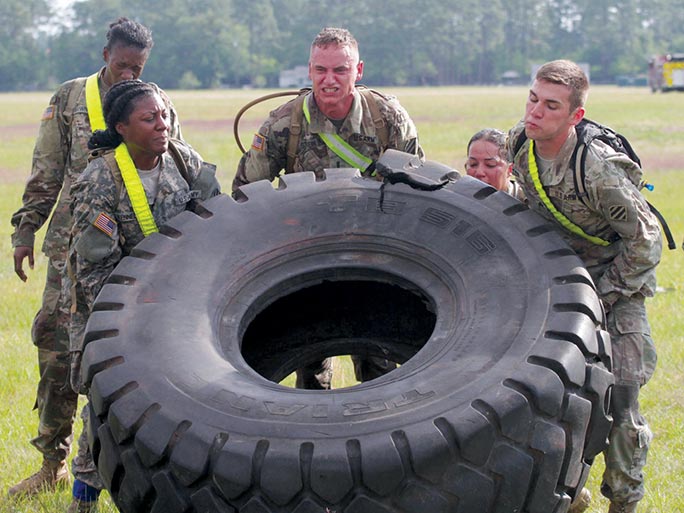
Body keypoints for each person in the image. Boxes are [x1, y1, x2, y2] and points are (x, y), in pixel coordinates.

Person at [8, 17, 181, 499]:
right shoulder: (70, 98)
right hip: (72, 247)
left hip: (138, 248)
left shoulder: (153, 101)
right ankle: (53, 462)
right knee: (59, 347)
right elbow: (47, 168)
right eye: (124, 65)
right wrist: (26, 227)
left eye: (139, 68)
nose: (130, 76)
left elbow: (175, 165)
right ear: (106, 55)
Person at [507, 59, 661, 513]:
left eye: (551, 105)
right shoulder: (521, 143)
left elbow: (646, 241)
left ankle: (623, 504)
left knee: (622, 402)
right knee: (549, 398)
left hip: (616, 288)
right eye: (533, 98)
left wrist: (606, 294)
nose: (536, 112)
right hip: (560, 285)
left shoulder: (596, 170)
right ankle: (566, 494)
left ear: (575, 116)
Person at [233, 27, 423, 389]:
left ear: (359, 70)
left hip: (374, 258)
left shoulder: (387, 119)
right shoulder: (283, 123)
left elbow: (416, 190)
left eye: (341, 70)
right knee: (311, 362)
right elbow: (247, 194)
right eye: (321, 70)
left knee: (378, 363)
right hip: (308, 257)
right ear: (309, 70)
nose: (330, 80)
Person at [63, 79, 220, 512]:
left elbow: (218, 225)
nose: (161, 125)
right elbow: (95, 270)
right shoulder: (99, 179)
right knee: (106, 405)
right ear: (122, 128)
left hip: (177, 306)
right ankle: (84, 500)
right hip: (112, 309)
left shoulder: (183, 161)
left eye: (164, 115)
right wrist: (133, 316)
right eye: (148, 119)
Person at [465, 128, 524, 200]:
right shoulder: (456, 201)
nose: (479, 172)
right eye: (473, 164)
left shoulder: (532, 205)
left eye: (490, 165)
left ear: (510, 169)